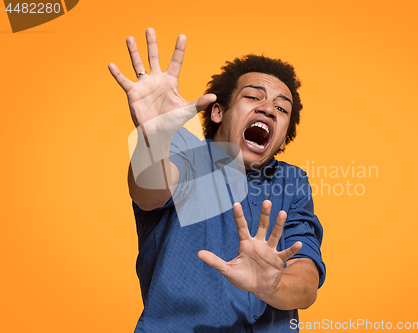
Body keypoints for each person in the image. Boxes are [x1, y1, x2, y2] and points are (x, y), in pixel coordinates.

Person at [109, 28, 326, 332]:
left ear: (283, 136)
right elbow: (148, 192)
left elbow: (306, 282)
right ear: (217, 112)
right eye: (253, 97)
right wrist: (154, 137)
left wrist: (271, 285)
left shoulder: (293, 181)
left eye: (281, 108)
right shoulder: (185, 156)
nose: (268, 109)